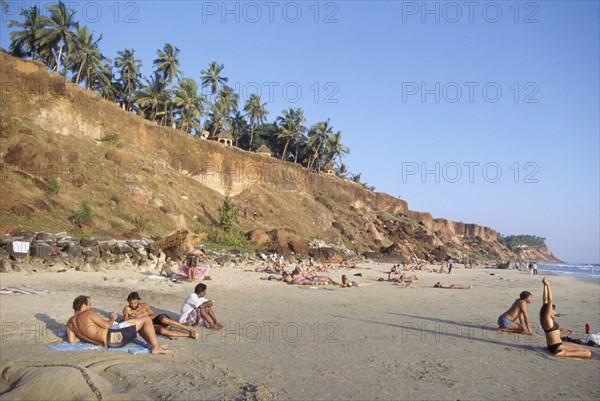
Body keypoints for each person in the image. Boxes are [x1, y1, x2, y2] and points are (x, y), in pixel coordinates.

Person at [66, 295, 172, 355]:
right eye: (89, 304)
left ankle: (151, 344)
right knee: (146, 320)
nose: (90, 306)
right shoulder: (88, 313)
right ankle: (155, 347)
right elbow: (107, 326)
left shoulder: (70, 323)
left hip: (104, 343)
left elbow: (72, 341)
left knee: (137, 323)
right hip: (114, 338)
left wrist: (85, 334)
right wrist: (112, 318)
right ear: (83, 305)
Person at [540, 277, 591, 358]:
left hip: (555, 345)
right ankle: (564, 353)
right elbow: (550, 300)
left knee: (581, 347)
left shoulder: (544, 318)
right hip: (556, 347)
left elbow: (545, 300)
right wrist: (548, 285)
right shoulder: (547, 319)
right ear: (549, 312)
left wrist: (544, 285)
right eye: (554, 310)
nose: (555, 312)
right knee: (587, 353)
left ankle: (561, 351)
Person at [123, 292, 198, 339]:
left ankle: (189, 330)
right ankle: (188, 335)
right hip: (150, 325)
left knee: (164, 320)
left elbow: (153, 314)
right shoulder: (127, 309)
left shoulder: (145, 305)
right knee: (161, 331)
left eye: (135, 303)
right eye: (131, 303)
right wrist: (132, 318)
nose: (133, 305)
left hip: (155, 319)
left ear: (138, 301)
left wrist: (146, 318)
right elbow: (125, 323)